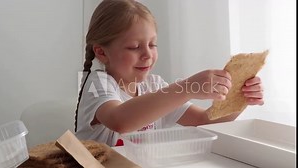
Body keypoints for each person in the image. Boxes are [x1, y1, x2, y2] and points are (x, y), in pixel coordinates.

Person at [74, 0, 264, 147]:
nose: (147, 54)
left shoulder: (154, 85)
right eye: (134, 47)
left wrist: (242, 97)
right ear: (101, 52)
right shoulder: (97, 84)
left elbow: (204, 120)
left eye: (152, 44)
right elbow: (120, 121)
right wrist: (186, 88)